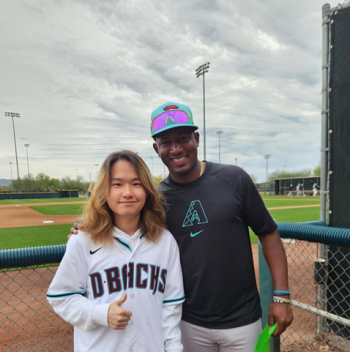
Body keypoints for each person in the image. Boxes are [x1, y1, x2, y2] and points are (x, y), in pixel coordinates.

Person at [71, 102, 293, 351]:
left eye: (183, 138)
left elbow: (268, 233)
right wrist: (88, 225)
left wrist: (281, 295)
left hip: (242, 319)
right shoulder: (155, 199)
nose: (176, 149)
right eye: (166, 142)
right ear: (157, 149)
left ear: (196, 139)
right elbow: (121, 220)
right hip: (187, 321)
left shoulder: (234, 179)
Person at [49, 150, 185, 352]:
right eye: (118, 184)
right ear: (105, 190)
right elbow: (61, 297)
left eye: (136, 184)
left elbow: (170, 309)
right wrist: (100, 313)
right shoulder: (83, 240)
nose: (128, 192)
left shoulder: (165, 242)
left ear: (147, 190)